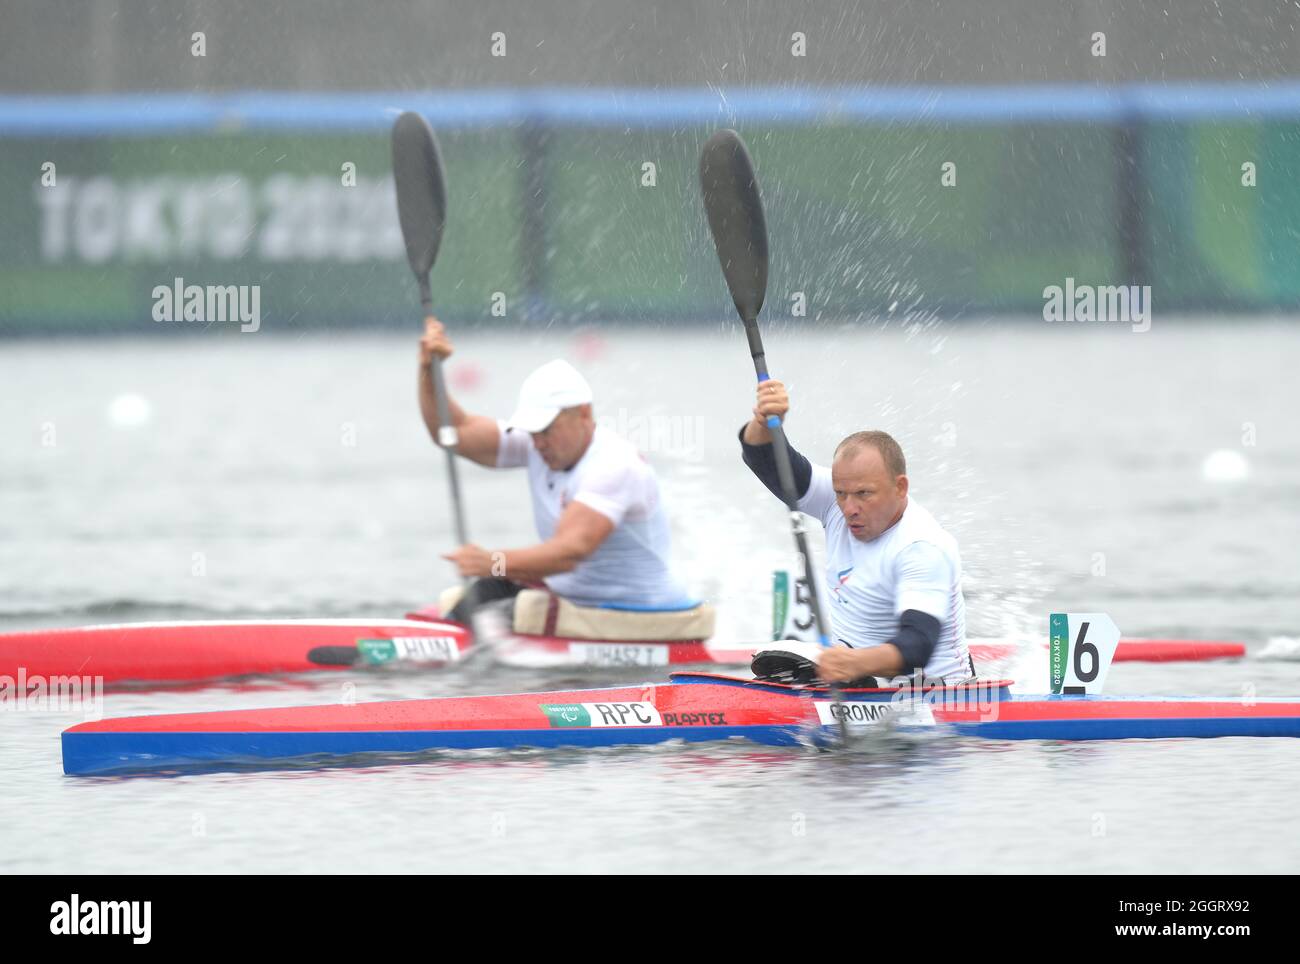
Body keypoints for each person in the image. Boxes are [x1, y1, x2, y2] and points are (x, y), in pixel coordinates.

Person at [417, 317, 692, 625]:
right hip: (579, 603)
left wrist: (493, 562)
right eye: (532, 431)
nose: (538, 442)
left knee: (495, 591)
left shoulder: (614, 465)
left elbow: (570, 552)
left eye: (546, 430)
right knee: (482, 594)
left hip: (642, 614)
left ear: (584, 414)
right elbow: (452, 431)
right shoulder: (538, 443)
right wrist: (430, 371)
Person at [740, 378, 971, 684]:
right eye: (840, 493)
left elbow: (917, 646)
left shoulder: (922, 546)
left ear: (900, 487)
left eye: (864, 494)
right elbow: (763, 457)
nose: (849, 508)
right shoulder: (841, 499)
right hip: (859, 681)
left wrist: (849, 662)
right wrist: (764, 421)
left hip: (935, 698)